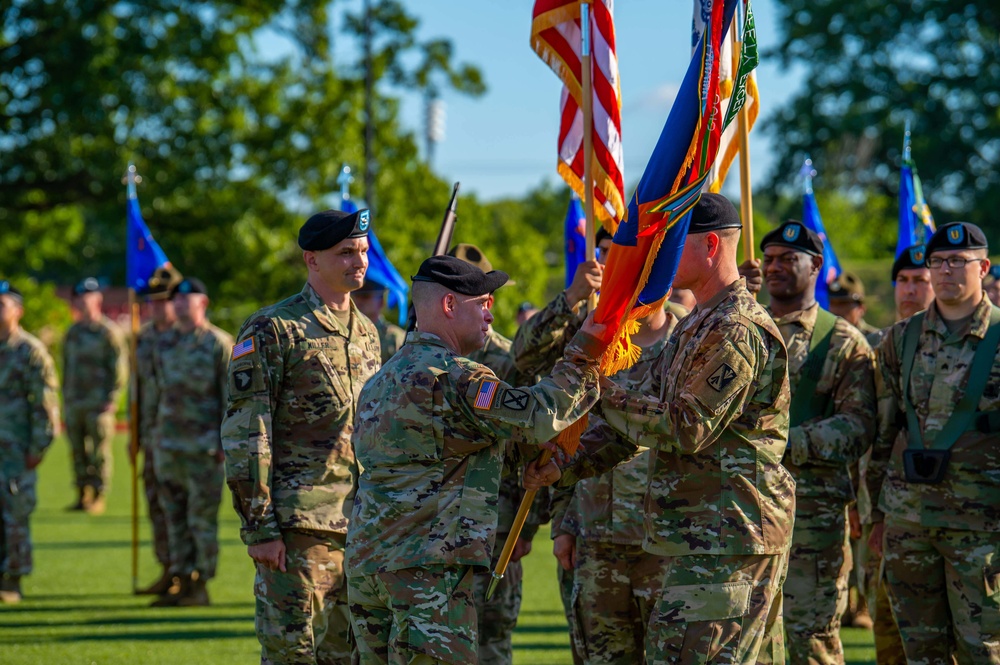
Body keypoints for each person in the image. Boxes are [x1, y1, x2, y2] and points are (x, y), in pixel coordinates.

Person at [551, 194, 795, 663]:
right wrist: (563, 462)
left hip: (727, 538)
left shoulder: (736, 329)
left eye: (673, 243)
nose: (660, 257)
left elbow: (684, 427)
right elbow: (635, 423)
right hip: (700, 536)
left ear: (708, 246)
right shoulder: (696, 325)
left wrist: (596, 386)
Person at [346, 255, 601, 665]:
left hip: (369, 567)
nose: (490, 314)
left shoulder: (381, 379)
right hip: (427, 573)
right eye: (482, 303)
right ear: (449, 306)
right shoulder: (459, 377)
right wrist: (585, 353)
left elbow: (446, 448)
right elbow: (540, 414)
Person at [222, 208, 381, 664]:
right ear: (312, 260)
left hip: (360, 527)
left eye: (363, 251)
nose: (359, 261)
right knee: (292, 654)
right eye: (346, 252)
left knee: (350, 656)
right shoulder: (274, 328)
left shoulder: (368, 334)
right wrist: (259, 526)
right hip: (297, 529)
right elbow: (246, 431)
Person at [866, 222, 1000, 663]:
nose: (946, 271)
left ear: (983, 268)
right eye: (937, 262)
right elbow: (885, 429)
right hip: (909, 520)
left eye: (958, 262)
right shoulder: (901, 337)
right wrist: (877, 513)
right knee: (920, 650)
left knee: (983, 650)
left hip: (982, 525)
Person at [760, 221, 877, 665]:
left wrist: (785, 443)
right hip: (744, 516)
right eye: (769, 259)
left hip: (813, 520)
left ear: (816, 267)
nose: (775, 268)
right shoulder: (741, 330)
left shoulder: (843, 341)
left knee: (812, 643)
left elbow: (859, 426)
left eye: (788, 259)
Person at [853, 246, 932, 664]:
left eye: (921, 281)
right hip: (880, 503)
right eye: (903, 281)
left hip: (940, 510)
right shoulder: (877, 346)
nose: (911, 290)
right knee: (885, 620)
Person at [149, 277, 232, 607]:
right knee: (174, 517)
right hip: (169, 446)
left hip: (203, 449)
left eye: (188, 298)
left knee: (201, 519)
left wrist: (226, 443)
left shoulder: (219, 344)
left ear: (203, 303)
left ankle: (200, 582)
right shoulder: (164, 343)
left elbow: (231, 398)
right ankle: (180, 578)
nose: (180, 304)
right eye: (176, 300)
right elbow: (158, 393)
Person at [0, 281, 59, 604]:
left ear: (17, 311)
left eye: (1, 305)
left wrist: (37, 449)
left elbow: (46, 405)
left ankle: (13, 579)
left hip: (17, 451)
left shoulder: (30, 351)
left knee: (15, 516)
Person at [134, 266, 182, 596]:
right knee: (156, 506)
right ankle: (167, 568)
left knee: (183, 511)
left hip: (186, 440)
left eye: (164, 301)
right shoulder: (145, 337)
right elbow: (138, 390)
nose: (157, 308)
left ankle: (186, 572)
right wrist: (136, 435)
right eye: (152, 302)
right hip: (153, 437)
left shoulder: (190, 337)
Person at [62, 277, 127, 514]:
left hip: (99, 404)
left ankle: (99, 495)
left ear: (97, 300)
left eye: (86, 298)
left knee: (99, 452)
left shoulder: (108, 332)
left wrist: (111, 400)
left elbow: (119, 369)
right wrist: (66, 398)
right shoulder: (72, 333)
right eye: (78, 298)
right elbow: (67, 367)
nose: (81, 302)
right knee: (77, 451)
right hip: (75, 402)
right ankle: (81, 494)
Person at [353, 278, 405, 364]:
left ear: (381, 302)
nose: (359, 301)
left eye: (365, 296)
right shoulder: (348, 332)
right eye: (356, 296)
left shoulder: (395, 338)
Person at [828, 271, 881, 338]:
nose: (836, 310)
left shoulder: (876, 339)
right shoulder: (820, 338)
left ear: (861, 308)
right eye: (833, 303)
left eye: (843, 304)